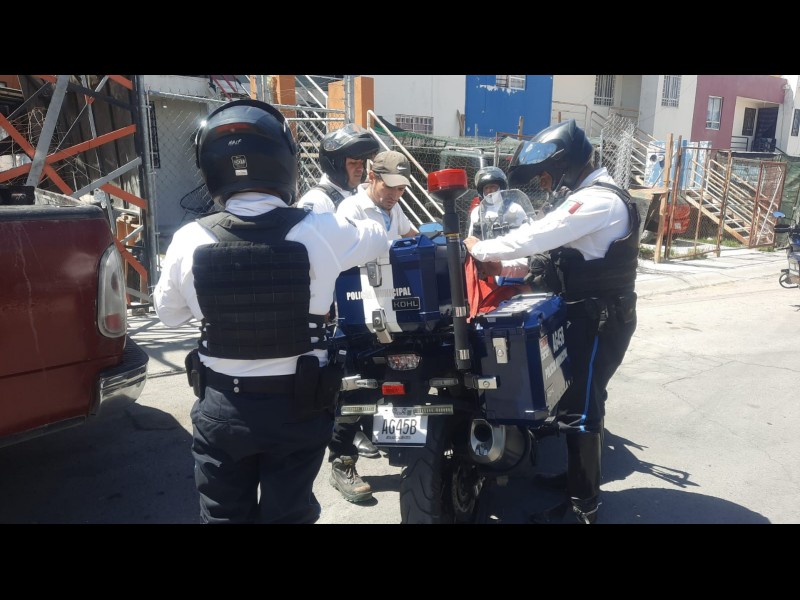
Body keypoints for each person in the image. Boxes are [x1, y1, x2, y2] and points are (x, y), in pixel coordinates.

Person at [152, 99, 389, 524]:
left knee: (223, 517)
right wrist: (364, 205)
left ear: (210, 167)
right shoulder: (321, 228)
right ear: (284, 161)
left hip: (222, 408)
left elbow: (168, 315)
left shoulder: (188, 239)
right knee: (288, 515)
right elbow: (377, 236)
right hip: (298, 408)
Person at [463, 119, 640, 524]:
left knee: (581, 408)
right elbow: (547, 257)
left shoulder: (597, 200)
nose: (543, 182)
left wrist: (481, 247)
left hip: (599, 318)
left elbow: (537, 235)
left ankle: (583, 506)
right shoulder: (587, 197)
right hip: (587, 314)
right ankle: (578, 478)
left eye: (546, 173)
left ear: (565, 165)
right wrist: (504, 267)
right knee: (579, 399)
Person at [296, 124, 384, 504]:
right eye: (353, 162)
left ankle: (359, 430)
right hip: (335, 315)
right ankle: (341, 462)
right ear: (333, 163)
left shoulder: (353, 197)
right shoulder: (317, 202)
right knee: (350, 384)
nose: (360, 169)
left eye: (363, 163)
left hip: (362, 305)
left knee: (373, 377)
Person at [337, 150, 419, 240]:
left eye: (401, 189)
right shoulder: (351, 209)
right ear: (372, 177)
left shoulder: (394, 206)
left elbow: (410, 234)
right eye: (389, 186)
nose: (395, 195)